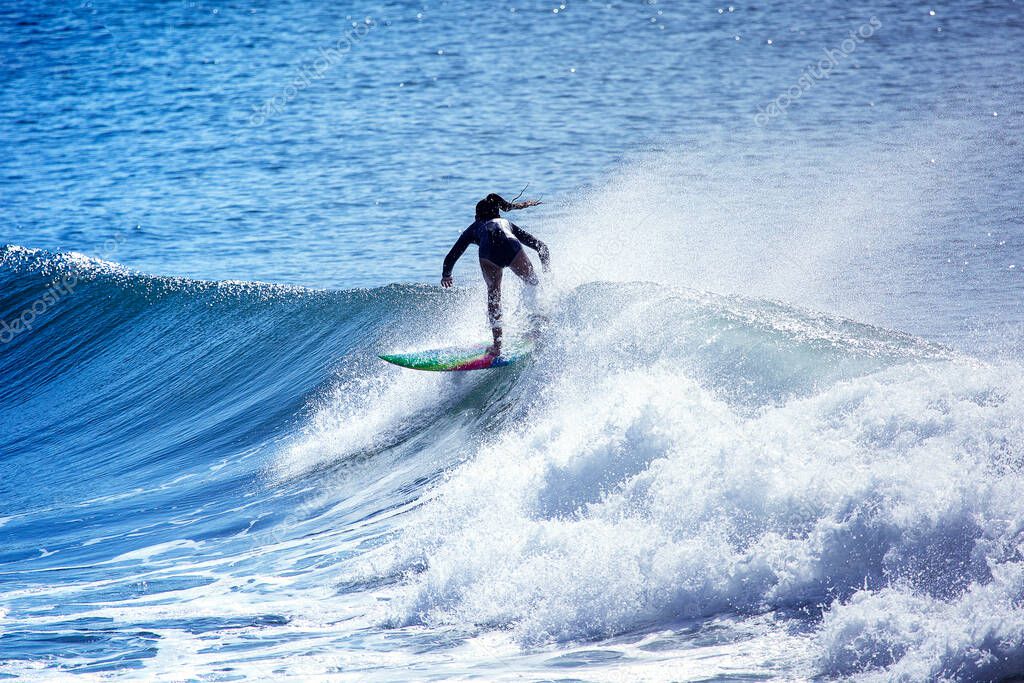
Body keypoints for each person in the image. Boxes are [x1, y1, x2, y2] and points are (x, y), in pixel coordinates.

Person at [441, 193, 550, 356]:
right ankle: (540, 322)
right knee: (533, 283)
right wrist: (547, 271)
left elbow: (452, 256)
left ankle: (497, 346)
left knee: (494, 296)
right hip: (512, 248)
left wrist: (446, 275)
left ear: (477, 216)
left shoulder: (473, 228)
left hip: (488, 255)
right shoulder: (506, 223)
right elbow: (541, 246)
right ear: (497, 213)